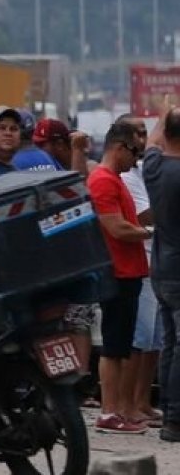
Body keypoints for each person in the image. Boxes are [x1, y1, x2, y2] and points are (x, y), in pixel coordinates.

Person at [89, 121, 154, 435]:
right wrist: (152, 232)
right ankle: (109, 411)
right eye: (134, 153)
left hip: (128, 272)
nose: (135, 161)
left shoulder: (114, 180)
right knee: (114, 347)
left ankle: (117, 410)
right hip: (116, 272)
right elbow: (116, 227)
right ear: (119, 147)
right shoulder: (103, 181)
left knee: (122, 345)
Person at [143, 107, 180, 441]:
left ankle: (170, 416)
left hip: (162, 269)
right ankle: (177, 418)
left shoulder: (153, 169)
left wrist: (167, 113)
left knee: (170, 343)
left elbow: (153, 140)